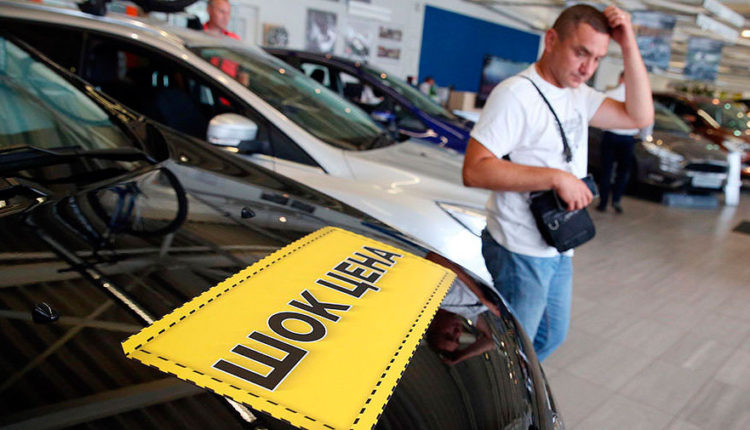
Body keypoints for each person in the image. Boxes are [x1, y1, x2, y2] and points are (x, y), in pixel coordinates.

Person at [462, 5, 653, 361]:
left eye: (597, 59)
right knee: (517, 354)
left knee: (549, 337)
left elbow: (639, 117)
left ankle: (487, 357)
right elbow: (475, 170)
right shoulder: (515, 95)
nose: (587, 68)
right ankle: (490, 387)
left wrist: (629, 45)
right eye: (581, 53)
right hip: (520, 248)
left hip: (558, 243)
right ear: (551, 40)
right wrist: (556, 178)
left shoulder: (578, 94)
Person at [596, 71, 639, 213]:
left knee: (606, 170)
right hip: (628, 138)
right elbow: (646, 121)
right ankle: (616, 200)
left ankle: (603, 202)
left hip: (610, 135)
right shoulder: (637, 98)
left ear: (620, 79)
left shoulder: (610, 95)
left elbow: (600, 116)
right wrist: (644, 136)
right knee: (623, 172)